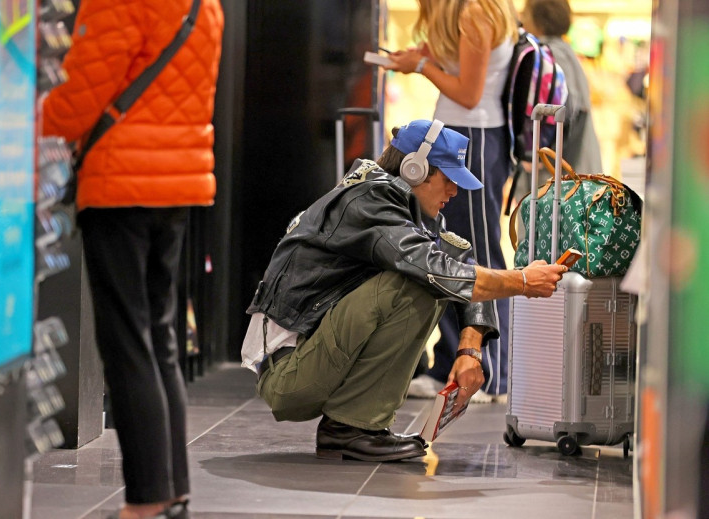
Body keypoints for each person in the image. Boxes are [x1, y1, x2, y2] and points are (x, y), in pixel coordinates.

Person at [241, 120, 568, 462]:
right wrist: (524, 281)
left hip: (308, 358)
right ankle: (354, 426)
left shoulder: (398, 202)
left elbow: (459, 257)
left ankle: (347, 427)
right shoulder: (371, 201)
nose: (454, 192)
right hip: (288, 376)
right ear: (416, 168)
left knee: (433, 274)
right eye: (448, 180)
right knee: (418, 283)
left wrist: (470, 349)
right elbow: (438, 271)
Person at [40, 1, 224, 518]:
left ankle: (146, 499)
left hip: (122, 181)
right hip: (179, 183)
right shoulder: (204, 5)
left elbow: (80, 94)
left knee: (126, 342)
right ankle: (171, 487)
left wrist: (28, 119)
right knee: (158, 339)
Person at [385, 0, 519, 402]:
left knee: (476, 256)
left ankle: (490, 372)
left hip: (473, 138)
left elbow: (469, 93)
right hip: (463, 136)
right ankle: (448, 362)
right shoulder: (470, 12)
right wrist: (424, 56)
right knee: (448, 253)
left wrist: (422, 67)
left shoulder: (475, 11)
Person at [520, 0, 603, 174]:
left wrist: (539, 150)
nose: (522, 21)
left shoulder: (547, 55)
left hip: (560, 173)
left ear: (540, 21)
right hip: (577, 165)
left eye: (526, 14)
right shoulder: (565, 52)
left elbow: (566, 111)